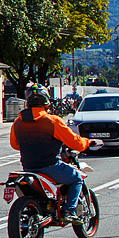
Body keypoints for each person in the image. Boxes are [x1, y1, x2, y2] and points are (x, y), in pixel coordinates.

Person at [9, 84, 93, 225]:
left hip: (28, 168)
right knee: (77, 179)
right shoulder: (52, 121)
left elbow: (15, 145)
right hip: (50, 167)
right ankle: (69, 211)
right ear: (46, 102)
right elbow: (75, 143)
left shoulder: (18, 122)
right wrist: (87, 142)